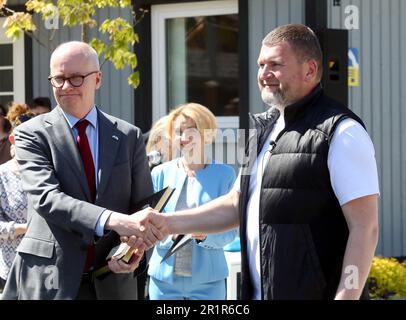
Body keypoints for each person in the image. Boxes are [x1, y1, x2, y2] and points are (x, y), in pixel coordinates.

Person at [141, 24, 380, 300]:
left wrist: (347, 297)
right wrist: (168, 222)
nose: (264, 74)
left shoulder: (342, 132)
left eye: (275, 64)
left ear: (310, 70)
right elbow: (235, 204)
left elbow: (365, 228)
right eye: (261, 64)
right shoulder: (260, 130)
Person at [1, 41, 165, 300]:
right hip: (50, 280)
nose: (66, 87)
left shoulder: (128, 135)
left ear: (97, 79)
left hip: (113, 280)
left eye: (76, 78)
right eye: (59, 79)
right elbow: (47, 198)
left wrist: (132, 250)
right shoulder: (31, 134)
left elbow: (142, 206)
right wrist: (115, 220)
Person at [147, 103, 237, 300]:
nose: (184, 137)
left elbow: (230, 232)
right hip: (163, 281)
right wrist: (166, 233)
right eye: (178, 131)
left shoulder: (225, 175)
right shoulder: (160, 173)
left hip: (208, 282)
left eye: (192, 131)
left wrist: (203, 235)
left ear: (206, 133)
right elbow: (149, 223)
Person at [0, 104, 35, 292]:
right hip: (12, 267)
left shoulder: (48, 173)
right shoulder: (2, 176)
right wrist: (24, 228)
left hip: (45, 268)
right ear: (13, 139)